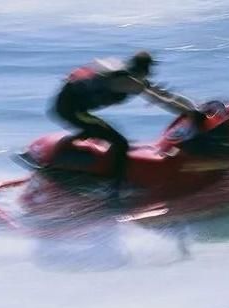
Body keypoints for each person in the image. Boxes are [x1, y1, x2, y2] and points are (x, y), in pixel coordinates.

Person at [49, 51, 158, 198]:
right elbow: (158, 96)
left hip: (67, 106)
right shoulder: (125, 80)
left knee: (98, 131)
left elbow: (156, 92)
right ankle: (114, 189)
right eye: (149, 70)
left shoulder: (124, 73)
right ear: (146, 69)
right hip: (71, 110)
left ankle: (68, 164)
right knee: (121, 143)